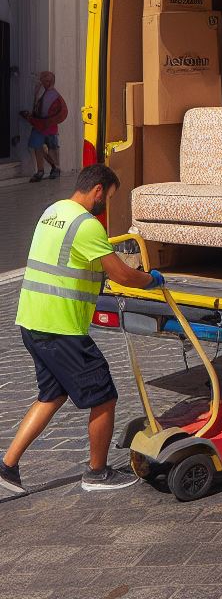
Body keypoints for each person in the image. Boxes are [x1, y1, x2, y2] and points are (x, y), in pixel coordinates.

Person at [0, 164, 165, 495]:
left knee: (52, 394)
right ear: (98, 191)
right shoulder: (87, 225)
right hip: (61, 328)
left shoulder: (52, 211)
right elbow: (121, 274)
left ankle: (6, 469)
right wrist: (151, 280)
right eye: (110, 197)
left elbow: (70, 262)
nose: (108, 206)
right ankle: (97, 473)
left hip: (33, 321)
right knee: (104, 396)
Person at [20, 71, 66, 183]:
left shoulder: (55, 96)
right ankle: (40, 171)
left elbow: (60, 113)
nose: (41, 82)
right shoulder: (42, 94)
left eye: (43, 80)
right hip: (39, 126)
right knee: (37, 146)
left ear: (48, 82)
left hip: (48, 127)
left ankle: (55, 167)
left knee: (51, 149)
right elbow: (38, 109)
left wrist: (38, 120)